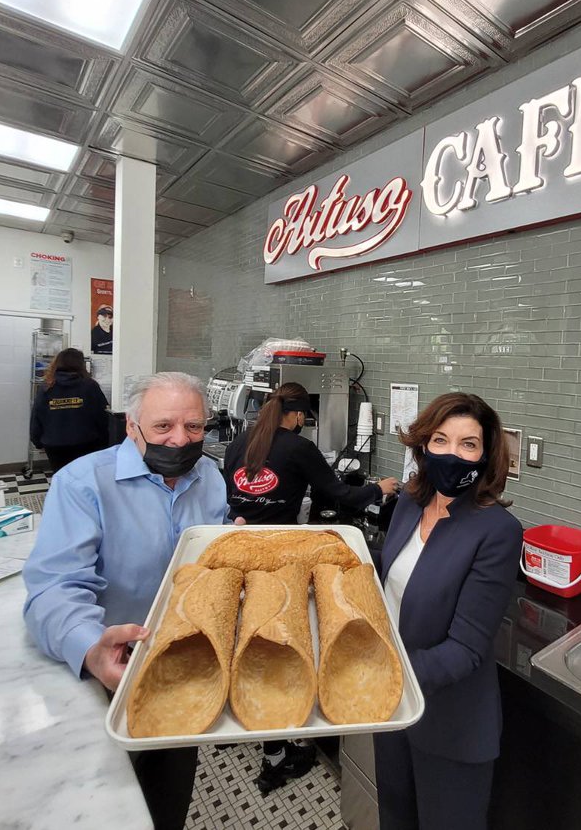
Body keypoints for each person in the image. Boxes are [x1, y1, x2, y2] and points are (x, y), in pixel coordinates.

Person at [22, 371, 227, 830]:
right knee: (98, 808)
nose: (180, 440)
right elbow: (54, 588)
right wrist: (91, 649)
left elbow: (201, 564)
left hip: (182, 670)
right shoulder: (82, 484)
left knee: (166, 798)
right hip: (103, 674)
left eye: (194, 428)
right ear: (132, 426)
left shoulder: (210, 477)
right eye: (163, 427)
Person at [223, 381, 399, 794]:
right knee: (285, 649)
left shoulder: (242, 439)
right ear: (300, 414)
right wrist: (381, 489)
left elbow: (235, 493)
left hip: (241, 548)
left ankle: (263, 737)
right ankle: (278, 755)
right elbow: (342, 494)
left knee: (253, 646)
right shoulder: (298, 448)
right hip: (281, 559)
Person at [373, 392, 522, 830]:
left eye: (468, 444)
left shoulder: (497, 531)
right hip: (395, 714)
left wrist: (383, 675)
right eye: (441, 439)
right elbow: (395, 575)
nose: (452, 453)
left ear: (485, 456)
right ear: (424, 445)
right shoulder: (409, 503)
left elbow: (465, 650)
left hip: (450, 726)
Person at [29, 348, 109, 473]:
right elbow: (103, 417)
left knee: (61, 479)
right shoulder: (90, 385)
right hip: (86, 444)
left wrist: (37, 441)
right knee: (84, 479)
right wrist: (104, 442)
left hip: (55, 447)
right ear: (81, 364)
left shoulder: (47, 386)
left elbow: (37, 416)